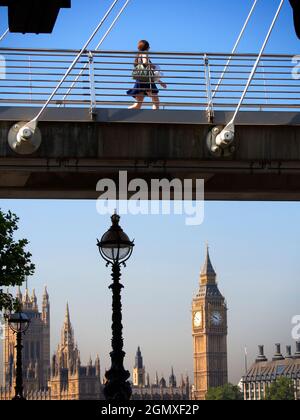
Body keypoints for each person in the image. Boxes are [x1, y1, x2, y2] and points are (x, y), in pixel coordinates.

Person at [127, 40, 167, 110]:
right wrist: (153, 66)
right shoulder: (144, 53)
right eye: (149, 46)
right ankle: (154, 118)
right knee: (156, 102)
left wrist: (160, 82)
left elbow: (148, 71)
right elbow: (145, 63)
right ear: (147, 47)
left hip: (140, 80)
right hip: (147, 81)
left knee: (137, 105)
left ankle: (125, 113)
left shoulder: (138, 56)